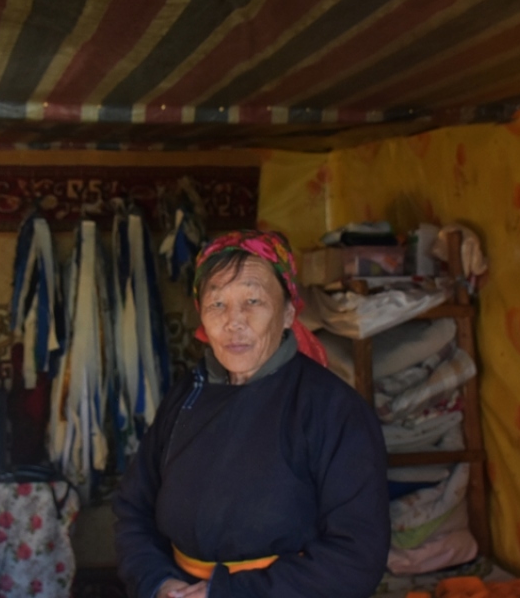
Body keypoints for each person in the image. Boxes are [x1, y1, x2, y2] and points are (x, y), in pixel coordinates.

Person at [112, 230, 389, 598]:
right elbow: (133, 508)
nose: (234, 322)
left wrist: (226, 594)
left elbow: (357, 555)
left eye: (253, 300)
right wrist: (159, 582)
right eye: (217, 304)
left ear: (289, 311)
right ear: (201, 315)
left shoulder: (333, 409)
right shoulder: (185, 395)